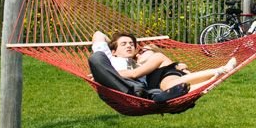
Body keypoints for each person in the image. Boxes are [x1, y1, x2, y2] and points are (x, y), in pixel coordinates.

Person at [92, 31, 235, 92]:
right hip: (137, 86)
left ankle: (219, 71)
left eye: (131, 44)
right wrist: (103, 71)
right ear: (114, 51)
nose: (129, 46)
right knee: (177, 86)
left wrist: (105, 74)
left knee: (176, 85)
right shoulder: (109, 58)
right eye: (124, 44)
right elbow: (98, 34)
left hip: (150, 82)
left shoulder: (139, 64)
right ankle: (215, 77)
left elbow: (137, 73)